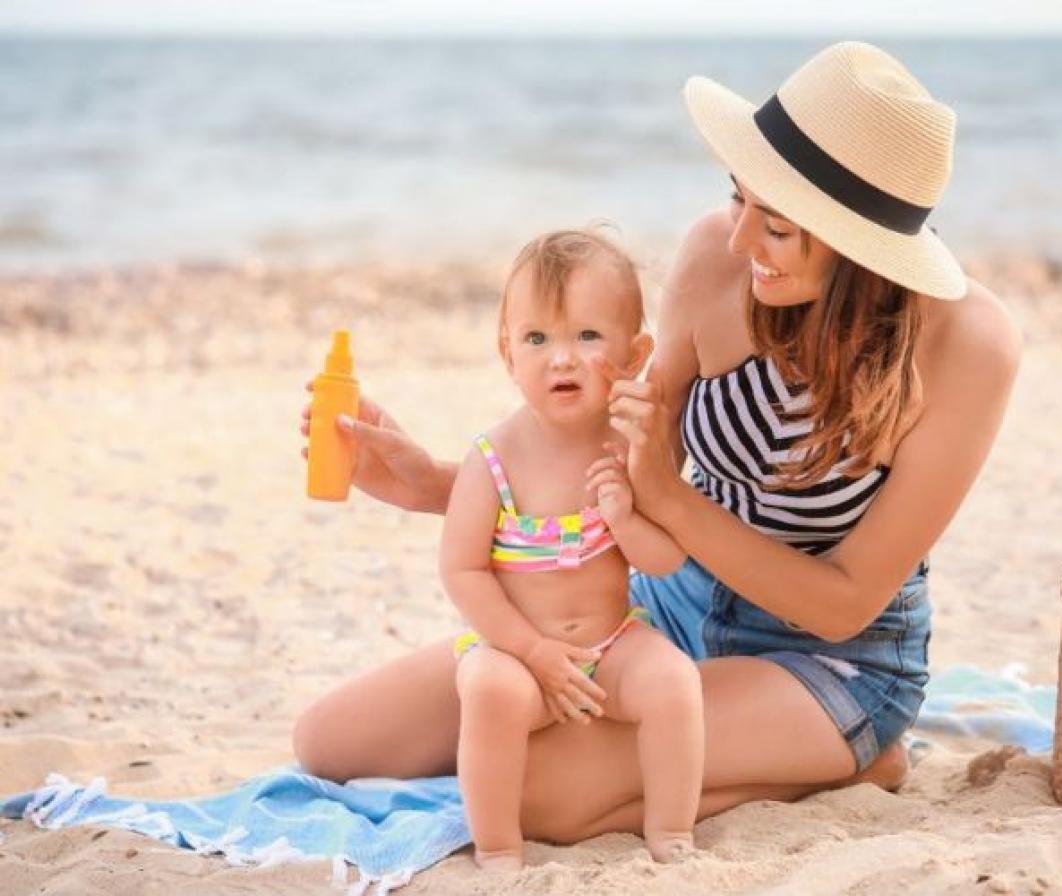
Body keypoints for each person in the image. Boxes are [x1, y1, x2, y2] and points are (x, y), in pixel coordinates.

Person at [292, 41, 1022, 844]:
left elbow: (847, 598)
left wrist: (672, 502)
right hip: (664, 606)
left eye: (775, 226)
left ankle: (850, 756)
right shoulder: (719, 253)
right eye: (739, 198)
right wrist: (437, 483)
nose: (740, 239)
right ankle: (758, 756)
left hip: (828, 658)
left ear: (857, 245)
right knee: (335, 743)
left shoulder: (969, 344)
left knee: (530, 795)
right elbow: (618, 458)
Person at [441, 229, 702, 869]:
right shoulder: (493, 459)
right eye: (538, 339)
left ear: (635, 353)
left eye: (587, 337)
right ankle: (499, 844)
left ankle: (671, 831)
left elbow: (666, 560)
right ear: (508, 353)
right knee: (491, 694)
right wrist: (530, 650)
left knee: (674, 682)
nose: (561, 358)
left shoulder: (630, 449)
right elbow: (462, 570)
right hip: (518, 652)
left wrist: (624, 518)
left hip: (611, 644)